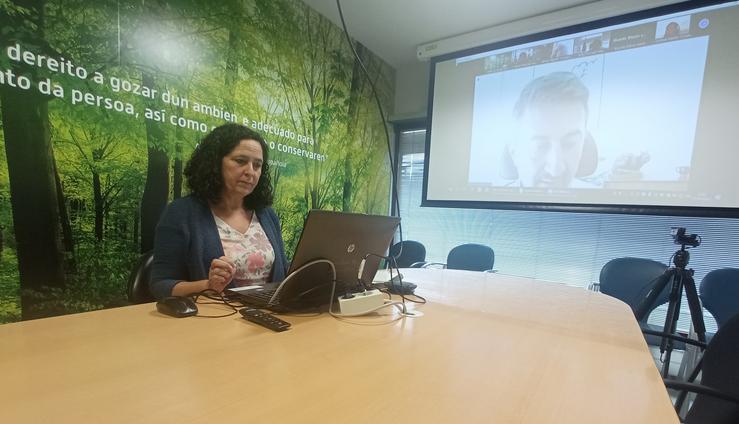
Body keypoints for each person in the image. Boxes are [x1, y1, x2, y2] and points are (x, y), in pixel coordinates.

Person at [149, 124, 288, 299]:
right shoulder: (181, 213)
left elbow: (283, 270)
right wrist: (208, 285)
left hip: (268, 316)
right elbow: (160, 285)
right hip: (213, 320)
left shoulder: (267, 215)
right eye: (240, 161)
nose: (250, 172)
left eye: (257, 165)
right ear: (215, 163)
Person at [501, 71, 597, 188]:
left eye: (570, 144)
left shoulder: (602, 201)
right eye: (540, 146)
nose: (555, 170)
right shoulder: (492, 201)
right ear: (514, 152)